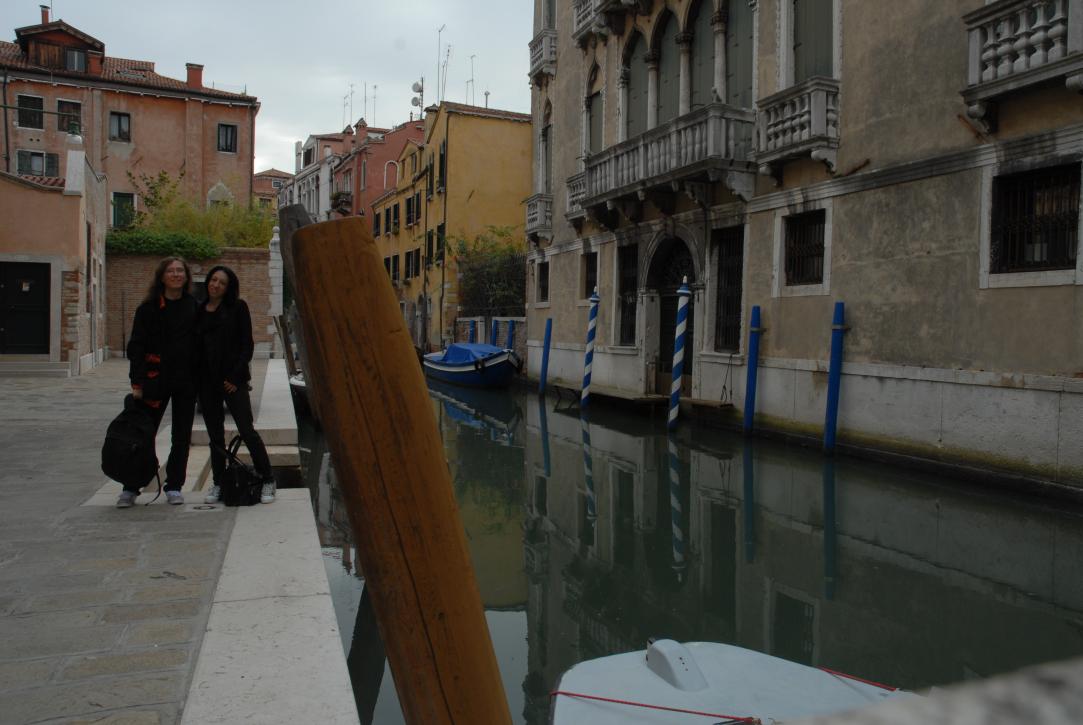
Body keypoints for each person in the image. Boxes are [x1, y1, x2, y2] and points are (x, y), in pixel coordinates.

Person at [119, 256, 199, 508]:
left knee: (182, 436)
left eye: (180, 271)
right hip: (155, 380)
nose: (176, 274)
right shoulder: (148, 309)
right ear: (162, 277)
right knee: (143, 434)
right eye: (171, 271)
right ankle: (131, 486)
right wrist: (137, 383)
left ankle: (174, 486)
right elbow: (136, 347)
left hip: (185, 381)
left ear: (186, 276)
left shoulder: (193, 307)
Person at [197, 265, 275, 504]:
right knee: (215, 437)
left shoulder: (238, 308)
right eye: (213, 280)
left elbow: (246, 345)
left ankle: (268, 479)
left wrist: (234, 377)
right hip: (207, 383)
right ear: (208, 282)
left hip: (233, 381)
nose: (216, 285)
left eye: (222, 282)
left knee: (247, 431)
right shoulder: (199, 310)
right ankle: (218, 483)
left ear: (228, 287)